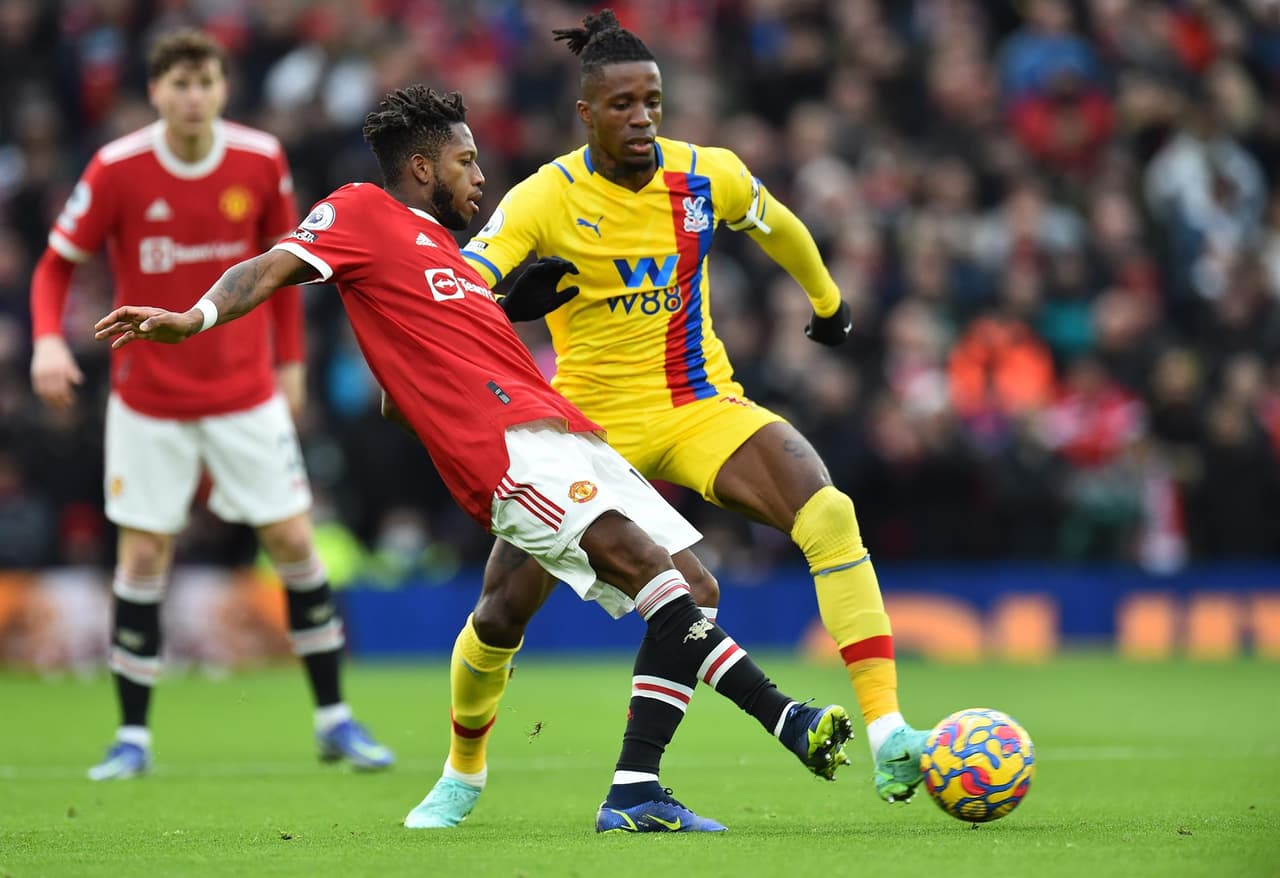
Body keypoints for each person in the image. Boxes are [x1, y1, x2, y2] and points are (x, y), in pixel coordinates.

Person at [93, 84, 854, 833]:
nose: (481, 177)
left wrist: (503, 308)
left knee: (695, 587)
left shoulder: (451, 260)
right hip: (508, 454)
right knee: (646, 570)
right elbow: (264, 269)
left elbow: (406, 387)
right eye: (466, 161)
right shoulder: (359, 212)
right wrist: (193, 317)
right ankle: (785, 717)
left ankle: (634, 790)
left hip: (563, 430)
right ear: (422, 168)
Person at [415, 8, 932, 827]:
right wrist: (508, 303)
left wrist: (829, 303)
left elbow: (779, 224)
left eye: (652, 101)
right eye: (621, 104)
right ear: (586, 113)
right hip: (587, 430)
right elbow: (457, 290)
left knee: (827, 513)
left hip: (697, 403)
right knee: (502, 610)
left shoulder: (706, 176)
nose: (641, 118)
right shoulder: (545, 197)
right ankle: (463, 771)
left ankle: (886, 731)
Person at [31, 28, 392, 779]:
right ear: (155, 91)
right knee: (142, 556)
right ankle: (132, 738)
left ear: (223, 88)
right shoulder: (117, 167)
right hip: (148, 400)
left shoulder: (259, 159)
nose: (193, 96)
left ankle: (335, 720)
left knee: (293, 543)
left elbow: (284, 269)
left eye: (205, 82)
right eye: (179, 83)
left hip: (243, 394)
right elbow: (56, 264)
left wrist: (291, 365)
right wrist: (46, 344)